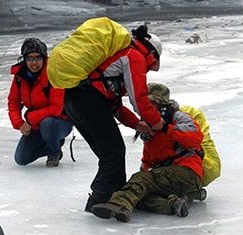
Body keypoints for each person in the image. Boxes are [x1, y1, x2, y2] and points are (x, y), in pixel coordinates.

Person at [60, 25, 167, 212]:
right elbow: (139, 99)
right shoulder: (133, 56)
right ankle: (101, 200)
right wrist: (157, 122)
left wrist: (136, 124)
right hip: (88, 101)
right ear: (151, 53)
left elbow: (114, 105)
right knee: (114, 152)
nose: (148, 69)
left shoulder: (115, 59)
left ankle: (114, 196)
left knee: (109, 153)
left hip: (73, 100)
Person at [90, 83, 203, 223]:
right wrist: (138, 181)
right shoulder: (149, 127)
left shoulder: (177, 117)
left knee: (141, 181)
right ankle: (174, 205)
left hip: (187, 173)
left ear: (160, 103)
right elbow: (148, 160)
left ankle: (118, 204)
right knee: (138, 196)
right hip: (173, 184)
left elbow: (195, 137)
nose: (146, 107)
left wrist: (166, 128)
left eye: (150, 103)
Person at [8, 38, 73, 167]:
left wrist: (30, 119)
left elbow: (56, 108)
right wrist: (19, 123)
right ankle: (53, 144)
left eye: (38, 57)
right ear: (24, 59)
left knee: (48, 123)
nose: (34, 62)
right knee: (21, 158)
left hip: (59, 122)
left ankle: (53, 154)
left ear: (44, 58)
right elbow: (13, 102)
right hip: (36, 124)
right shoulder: (20, 76)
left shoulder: (53, 73)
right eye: (30, 58)